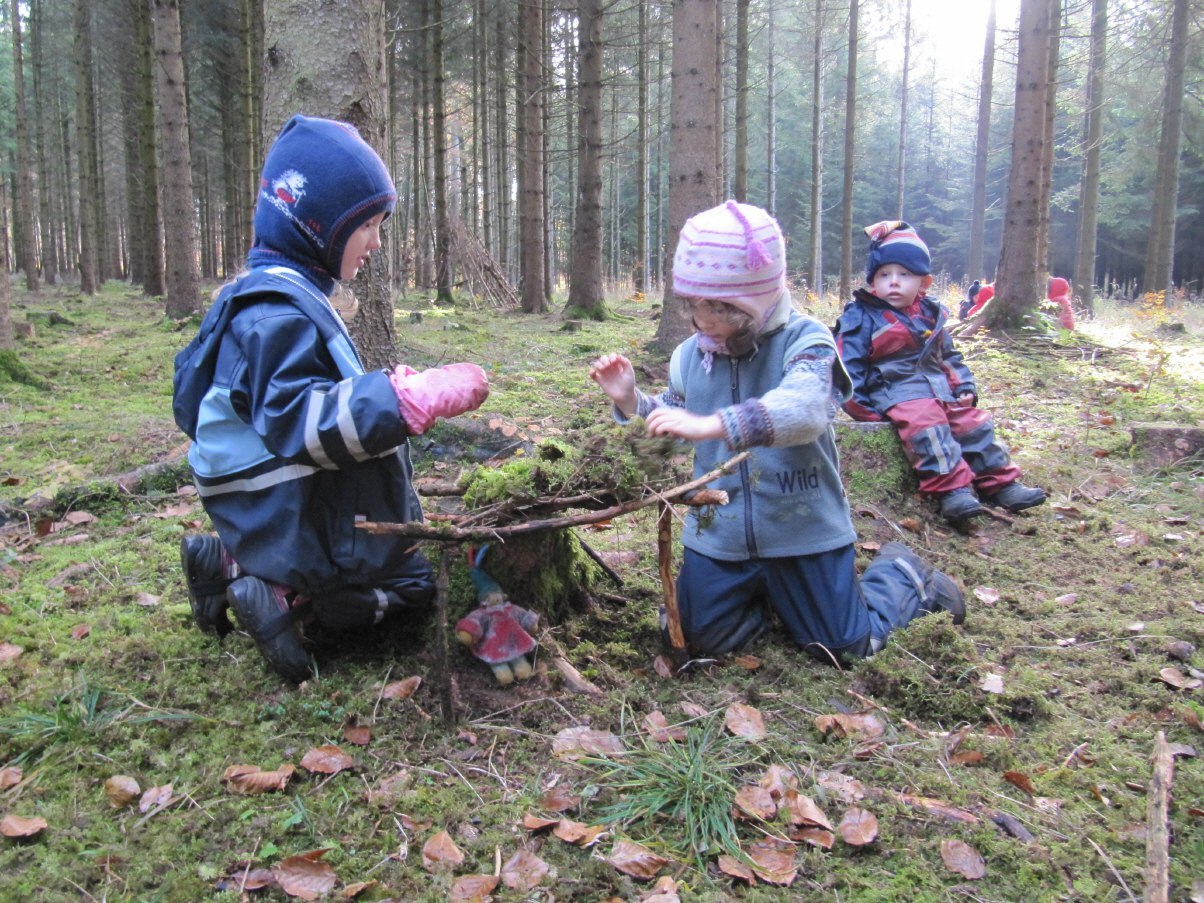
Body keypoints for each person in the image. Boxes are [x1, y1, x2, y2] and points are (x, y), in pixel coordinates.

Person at [173, 115, 489, 682]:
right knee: (413, 583)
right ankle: (291, 605)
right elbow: (299, 421)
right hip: (289, 509)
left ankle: (226, 561)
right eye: (366, 225)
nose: (377, 242)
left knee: (400, 564)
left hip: (267, 509)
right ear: (317, 226)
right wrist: (402, 401)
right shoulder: (278, 318)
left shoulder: (267, 298)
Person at [589, 200, 965, 664]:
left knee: (843, 647)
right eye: (695, 304)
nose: (706, 319)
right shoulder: (689, 355)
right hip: (719, 537)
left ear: (760, 296)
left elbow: (806, 409)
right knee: (695, 642)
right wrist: (632, 402)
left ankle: (904, 575)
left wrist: (715, 424)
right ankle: (766, 602)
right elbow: (670, 430)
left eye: (722, 307)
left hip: (803, 530)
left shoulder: (806, 340)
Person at [835, 220, 1046, 526]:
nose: (893, 282)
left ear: (924, 282)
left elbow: (947, 355)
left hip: (939, 387)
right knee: (928, 428)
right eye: (884, 275)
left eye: (904, 275)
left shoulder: (930, 313)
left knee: (974, 424)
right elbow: (846, 366)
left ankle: (1001, 483)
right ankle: (952, 491)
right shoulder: (861, 315)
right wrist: (865, 411)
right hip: (896, 391)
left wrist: (963, 386)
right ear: (872, 282)